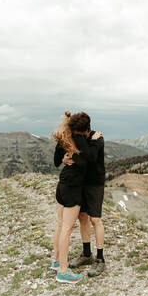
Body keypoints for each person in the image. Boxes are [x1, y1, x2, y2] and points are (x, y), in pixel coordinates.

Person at [50, 111, 101, 283]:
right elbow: (87, 160)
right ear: (86, 129)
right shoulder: (79, 138)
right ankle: (63, 272)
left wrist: (65, 158)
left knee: (60, 225)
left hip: (62, 184)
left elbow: (57, 161)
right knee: (67, 230)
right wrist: (93, 143)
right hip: (73, 189)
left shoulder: (64, 137)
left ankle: (57, 262)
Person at [66, 126, 106, 277]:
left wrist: (92, 143)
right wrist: (65, 158)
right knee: (82, 217)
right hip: (81, 182)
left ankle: (100, 259)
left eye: (79, 134)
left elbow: (91, 158)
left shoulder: (98, 138)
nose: (77, 136)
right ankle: (87, 254)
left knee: (95, 219)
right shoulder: (80, 137)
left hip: (95, 183)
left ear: (86, 131)